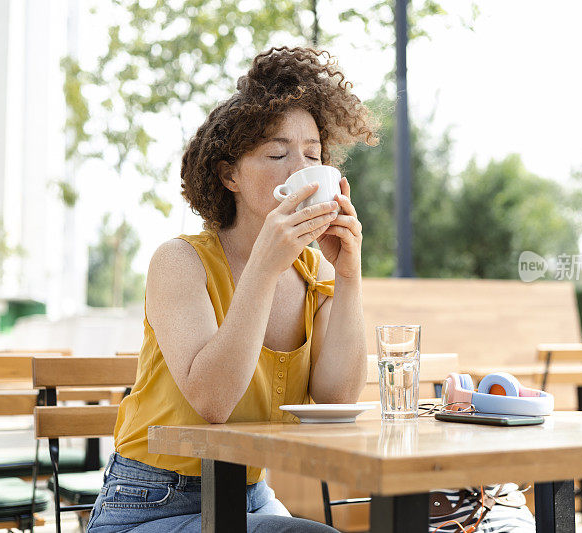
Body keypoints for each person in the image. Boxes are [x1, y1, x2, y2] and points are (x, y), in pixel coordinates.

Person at [86, 46, 379, 532]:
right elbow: (213, 402)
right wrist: (264, 268)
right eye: (277, 153)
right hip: (148, 502)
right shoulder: (179, 261)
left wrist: (349, 277)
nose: (300, 170)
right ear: (229, 175)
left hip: (249, 495)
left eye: (312, 155)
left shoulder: (314, 273)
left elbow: (337, 399)